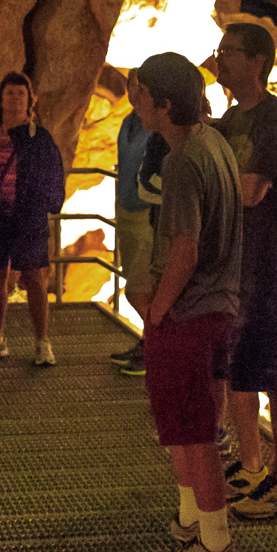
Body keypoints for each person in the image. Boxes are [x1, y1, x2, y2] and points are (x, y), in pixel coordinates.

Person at [131, 52, 244, 552]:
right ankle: (192, 522)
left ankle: (216, 547)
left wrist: (156, 309)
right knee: (187, 424)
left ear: (165, 103)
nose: (134, 101)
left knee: (195, 433)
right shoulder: (215, 144)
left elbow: (185, 249)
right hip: (218, 306)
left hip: (190, 312)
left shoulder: (180, 161)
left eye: (141, 94)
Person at [213, 22, 277, 519]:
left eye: (229, 51)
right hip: (236, 267)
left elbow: (251, 190)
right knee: (239, 371)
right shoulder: (229, 121)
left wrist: (210, 180)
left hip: (270, 265)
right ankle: (251, 466)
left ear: (256, 62)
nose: (219, 58)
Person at [0, 72, 66, 366]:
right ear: (0, 98)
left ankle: (42, 343)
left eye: (21, 93)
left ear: (30, 100)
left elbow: (53, 172)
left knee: (35, 278)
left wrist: (50, 205)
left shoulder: (39, 137)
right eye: (10, 92)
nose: (15, 98)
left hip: (28, 219)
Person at [109, 82, 156, 378]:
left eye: (142, 86)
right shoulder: (129, 121)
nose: (136, 92)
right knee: (138, 285)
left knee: (137, 290)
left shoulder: (154, 128)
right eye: (132, 86)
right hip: (126, 211)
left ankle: (157, 348)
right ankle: (148, 344)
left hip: (145, 215)